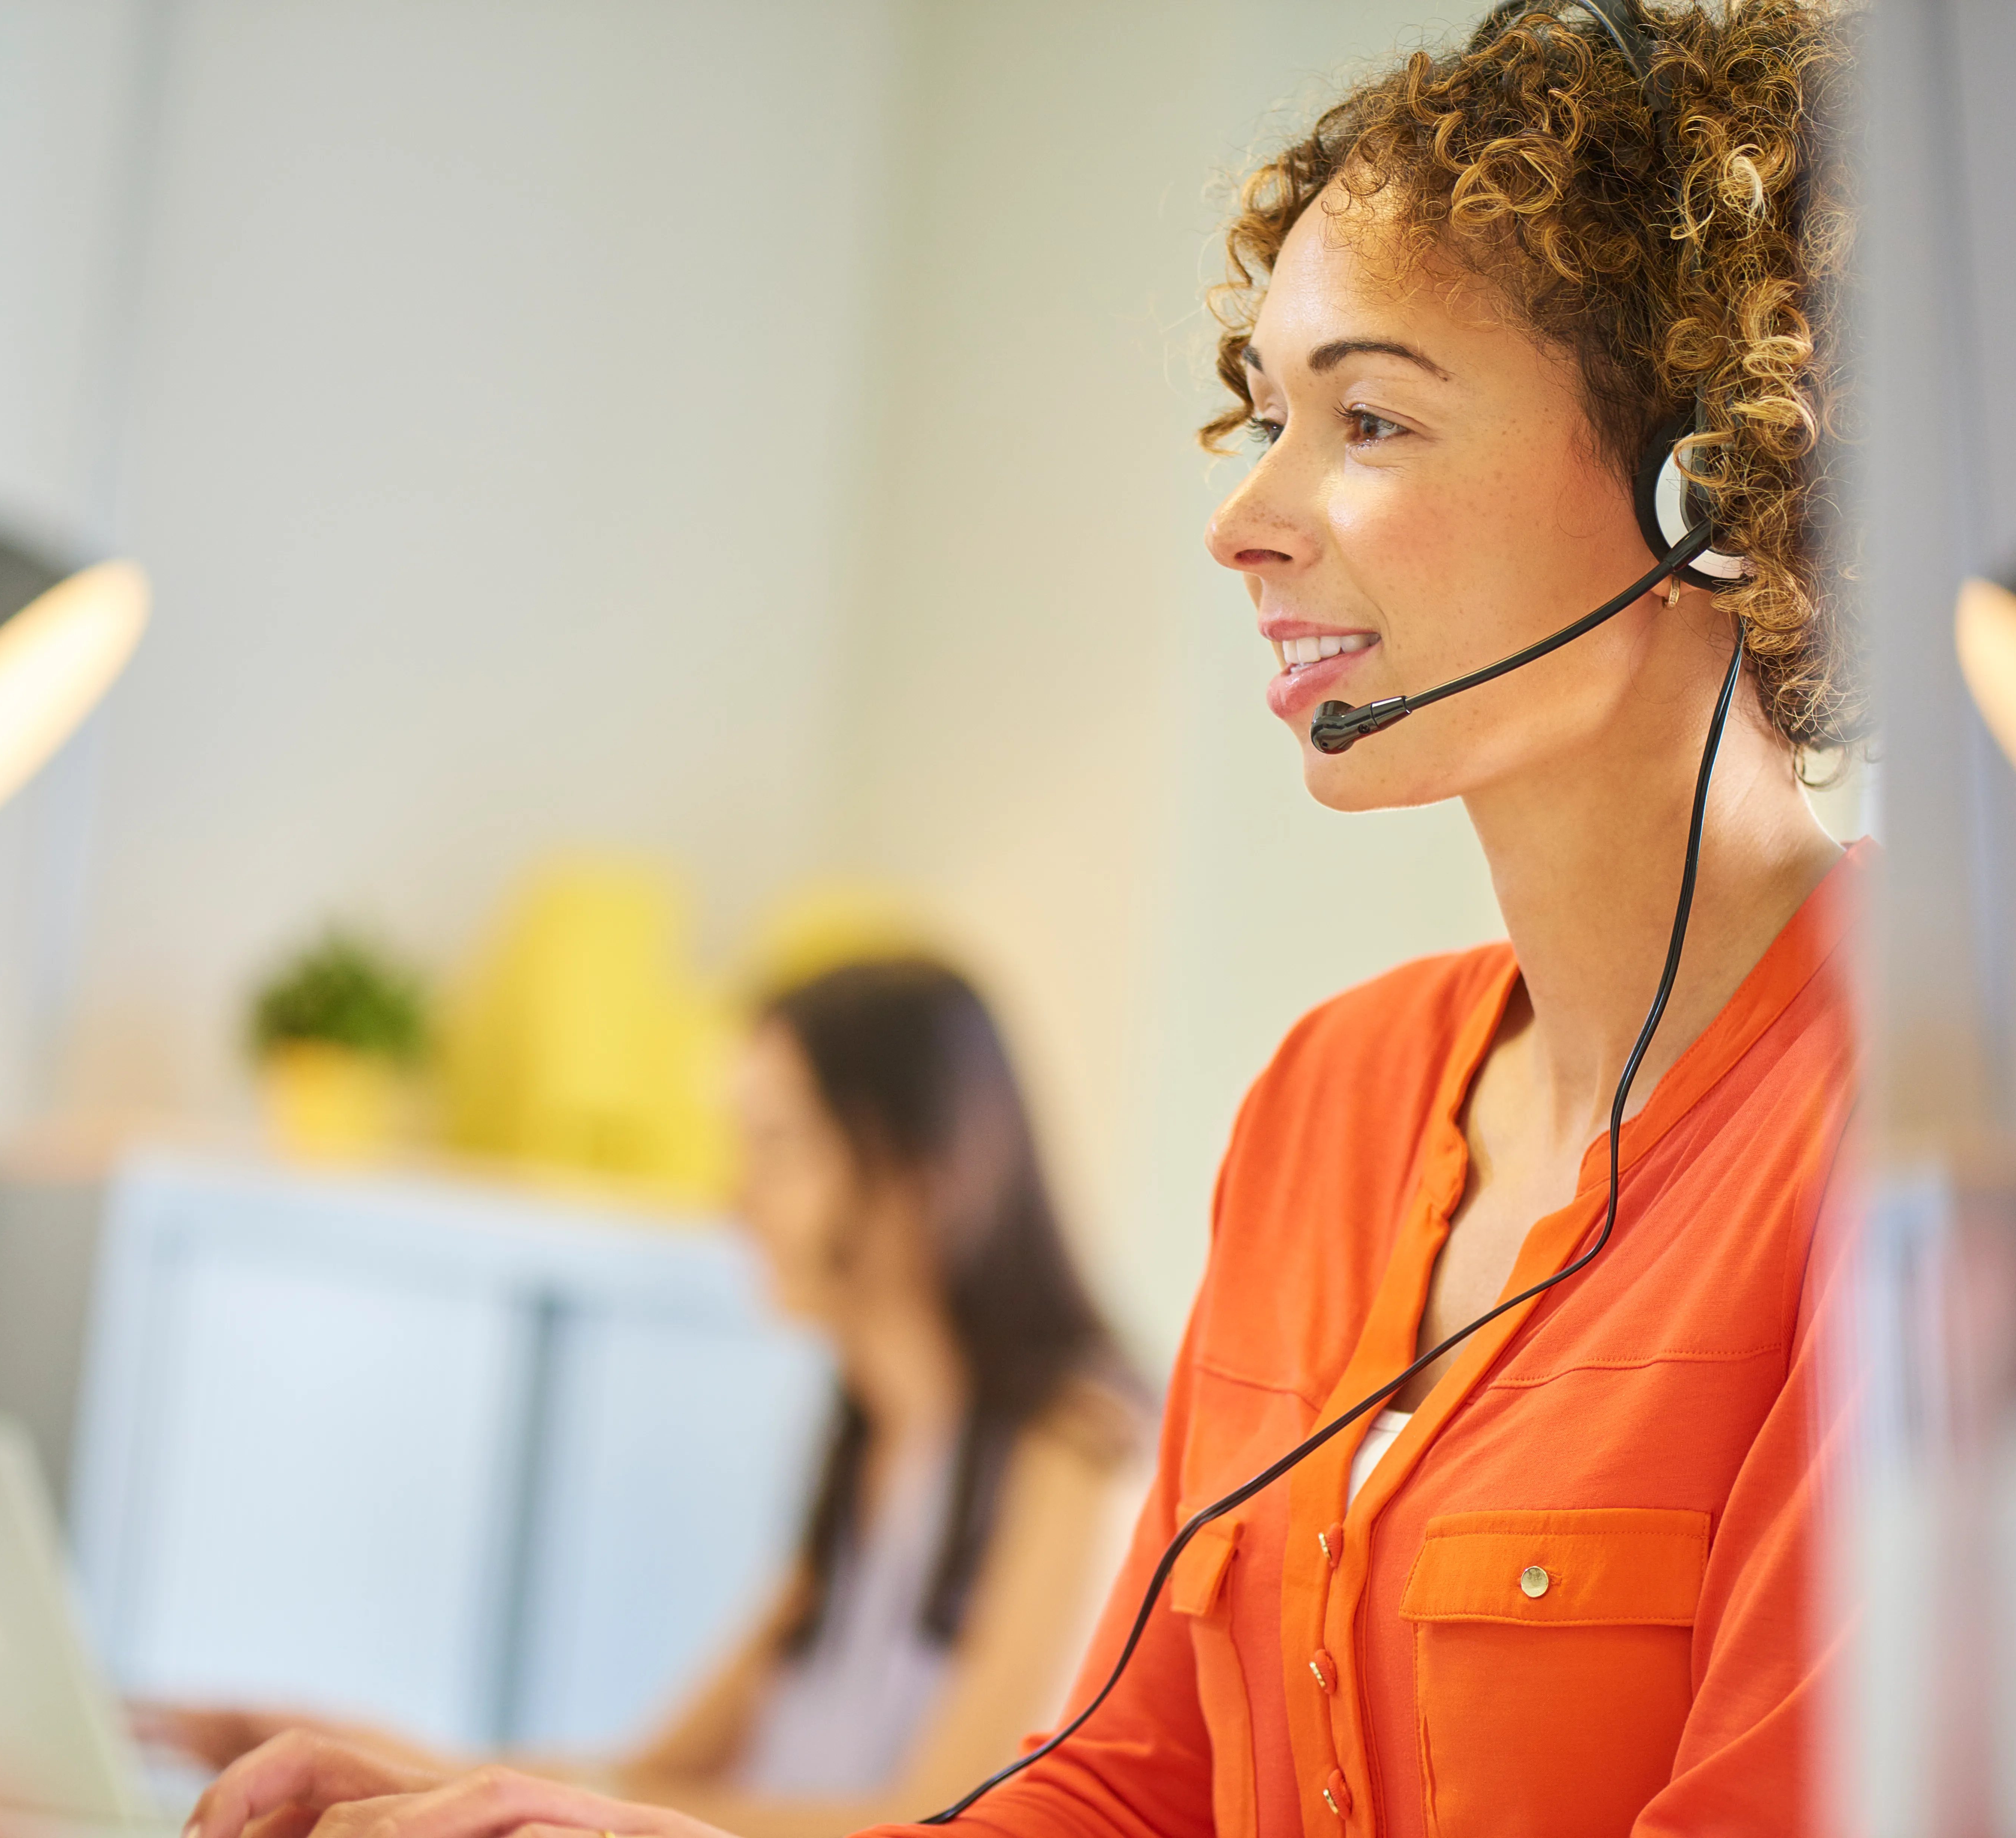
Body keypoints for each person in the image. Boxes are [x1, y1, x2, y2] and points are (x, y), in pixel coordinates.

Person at [186, 1, 1861, 1833]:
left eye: (1369, 417)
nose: (1244, 519)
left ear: (1716, 488)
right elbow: (1123, 1795)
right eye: (1271, 413)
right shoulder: (1333, 1101)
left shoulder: (1909, 1127)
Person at [150, 957, 1150, 1838]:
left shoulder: (1076, 1453)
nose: (737, 1199)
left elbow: (943, 1825)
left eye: (779, 1146)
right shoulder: (877, 1453)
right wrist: (366, 1764)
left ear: (921, 1171)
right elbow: (654, 1770)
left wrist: (504, 1803)